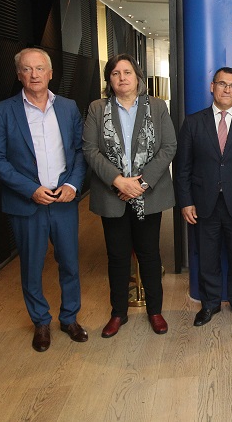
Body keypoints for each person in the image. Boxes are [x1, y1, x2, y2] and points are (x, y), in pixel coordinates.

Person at [0, 47, 87, 352]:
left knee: (70, 263)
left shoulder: (68, 107)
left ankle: (69, 318)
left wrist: (72, 184)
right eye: (27, 69)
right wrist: (30, 189)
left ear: (50, 73)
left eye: (40, 68)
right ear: (19, 75)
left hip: (63, 200)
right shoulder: (3, 111)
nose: (34, 75)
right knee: (31, 267)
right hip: (27, 203)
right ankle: (41, 321)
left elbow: (80, 151)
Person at [82, 54, 176, 338]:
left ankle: (155, 311)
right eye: (115, 73)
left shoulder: (156, 107)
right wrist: (119, 182)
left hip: (148, 194)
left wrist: (141, 183)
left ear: (137, 77)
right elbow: (90, 150)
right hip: (112, 195)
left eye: (127, 72)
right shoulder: (97, 108)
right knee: (117, 256)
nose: (122, 77)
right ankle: (118, 313)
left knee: (149, 254)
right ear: (109, 80)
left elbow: (169, 147)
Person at [175, 67, 232, 328]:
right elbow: (182, 168)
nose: (227, 89)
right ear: (212, 87)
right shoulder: (193, 122)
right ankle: (210, 304)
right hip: (203, 203)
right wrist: (186, 201)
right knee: (207, 257)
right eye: (222, 84)